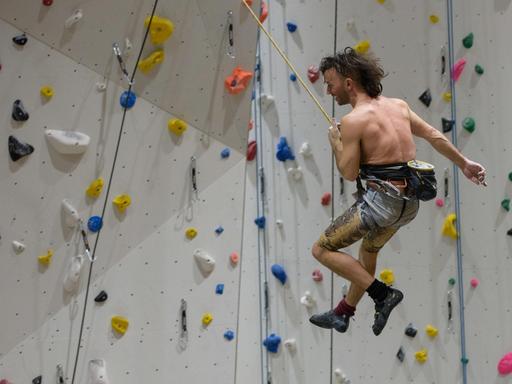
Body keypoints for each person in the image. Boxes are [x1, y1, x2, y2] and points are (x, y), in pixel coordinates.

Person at [309, 47, 486, 336]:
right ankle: (344, 312)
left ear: (349, 83)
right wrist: (464, 163)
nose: (329, 91)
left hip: (382, 203)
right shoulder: (399, 106)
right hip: (409, 205)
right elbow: (433, 135)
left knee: (322, 249)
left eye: (331, 84)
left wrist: (336, 142)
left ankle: (382, 295)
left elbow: (349, 172)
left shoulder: (354, 121)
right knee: (368, 251)